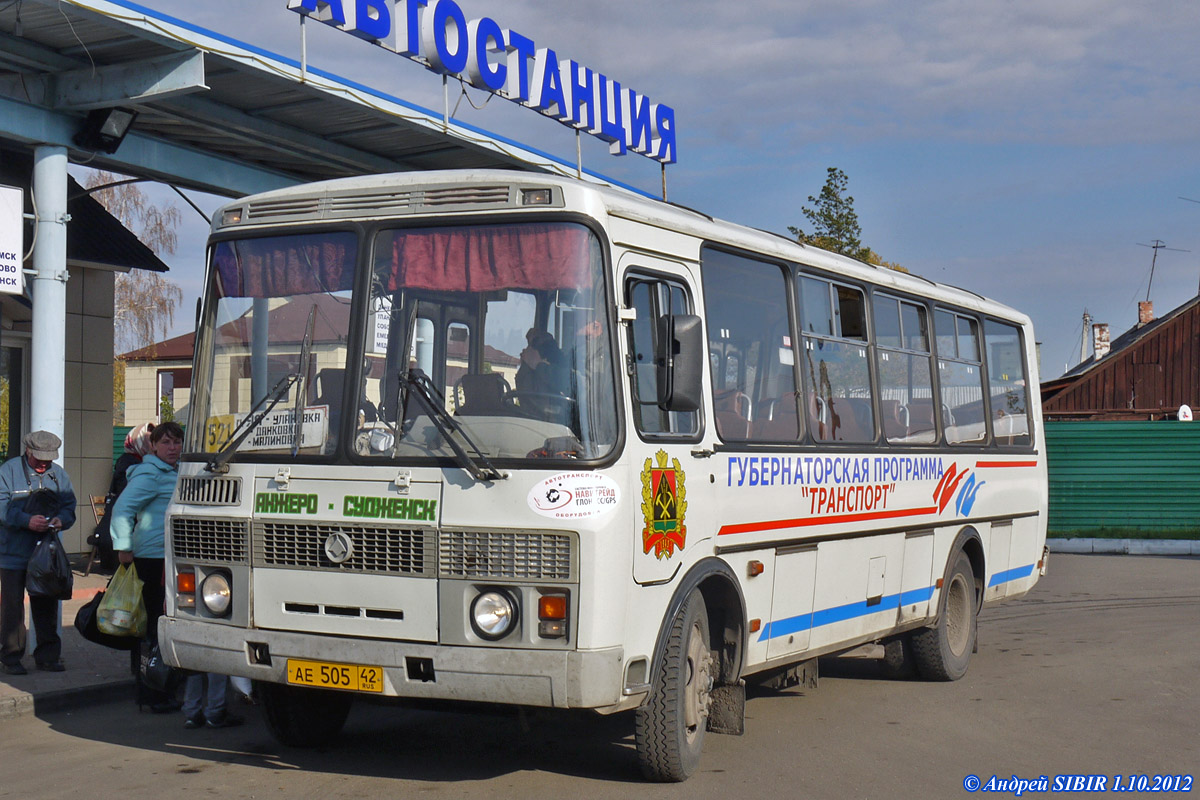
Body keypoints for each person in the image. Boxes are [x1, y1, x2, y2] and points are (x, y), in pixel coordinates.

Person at [110, 421, 184, 711]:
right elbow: (122, 510)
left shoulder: (175, 471)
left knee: (158, 625)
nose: (172, 448)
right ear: (152, 445)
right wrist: (124, 548)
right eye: (166, 442)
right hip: (152, 559)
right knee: (153, 627)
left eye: (177, 442)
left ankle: (159, 689)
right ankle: (153, 693)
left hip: (169, 558)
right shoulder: (151, 474)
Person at [0, 431, 77, 675]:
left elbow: (69, 507)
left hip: (46, 553)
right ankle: (11, 657)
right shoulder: (9, 471)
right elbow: (1, 506)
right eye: (39, 459)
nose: (44, 464)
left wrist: (60, 520)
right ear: (28, 451)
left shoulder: (59, 474)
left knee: (46, 604)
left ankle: (48, 656)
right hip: (12, 552)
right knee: (12, 607)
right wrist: (25, 521)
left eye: (48, 459)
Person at [89, 422, 155, 570]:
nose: (152, 445)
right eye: (148, 440)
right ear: (137, 440)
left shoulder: (144, 463)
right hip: (126, 531)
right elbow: (127, 503)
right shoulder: (130, 464)